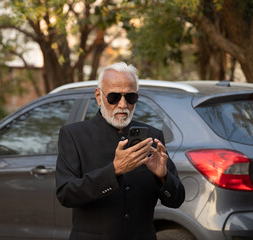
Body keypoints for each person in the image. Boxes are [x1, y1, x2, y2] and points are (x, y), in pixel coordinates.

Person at [55, 62, 185, 240]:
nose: (123, 105)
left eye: (130, 97)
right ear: (99, 96)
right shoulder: (74, 136)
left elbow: (176, 200)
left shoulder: (153, 137)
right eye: (114, 97)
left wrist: (163, 177)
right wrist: (114, 171)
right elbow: (66, 194)